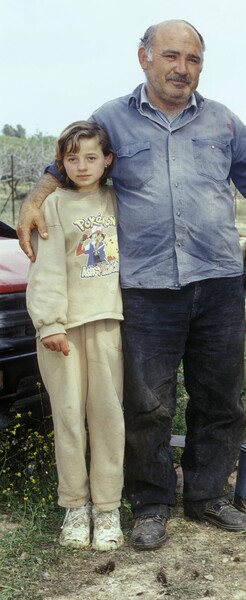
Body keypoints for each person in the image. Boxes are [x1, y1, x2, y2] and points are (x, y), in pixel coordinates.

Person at [18, 20, 246, 551]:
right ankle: (151, 502)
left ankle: (208, 495)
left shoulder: (221, 121)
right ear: (143, 58)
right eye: (171, 56)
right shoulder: (111, 119)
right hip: (144, 285)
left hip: (216, 279)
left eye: (192, 60)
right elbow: (65, 164)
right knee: (147, 402)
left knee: (219, 396)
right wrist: (33, 198)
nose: (181, 68)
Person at [26, 121, 124, 551]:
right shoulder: (54, 206)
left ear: (108, 160)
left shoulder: (117, 200)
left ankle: (107, 508)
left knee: (107, 416)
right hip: (62, 331)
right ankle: (75, 506)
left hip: (106, 324)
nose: (82, 166)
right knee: (68, 417)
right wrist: (50, 324)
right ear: (61, 162)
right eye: (72, 158)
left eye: (91, 157)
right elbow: (46, 267)